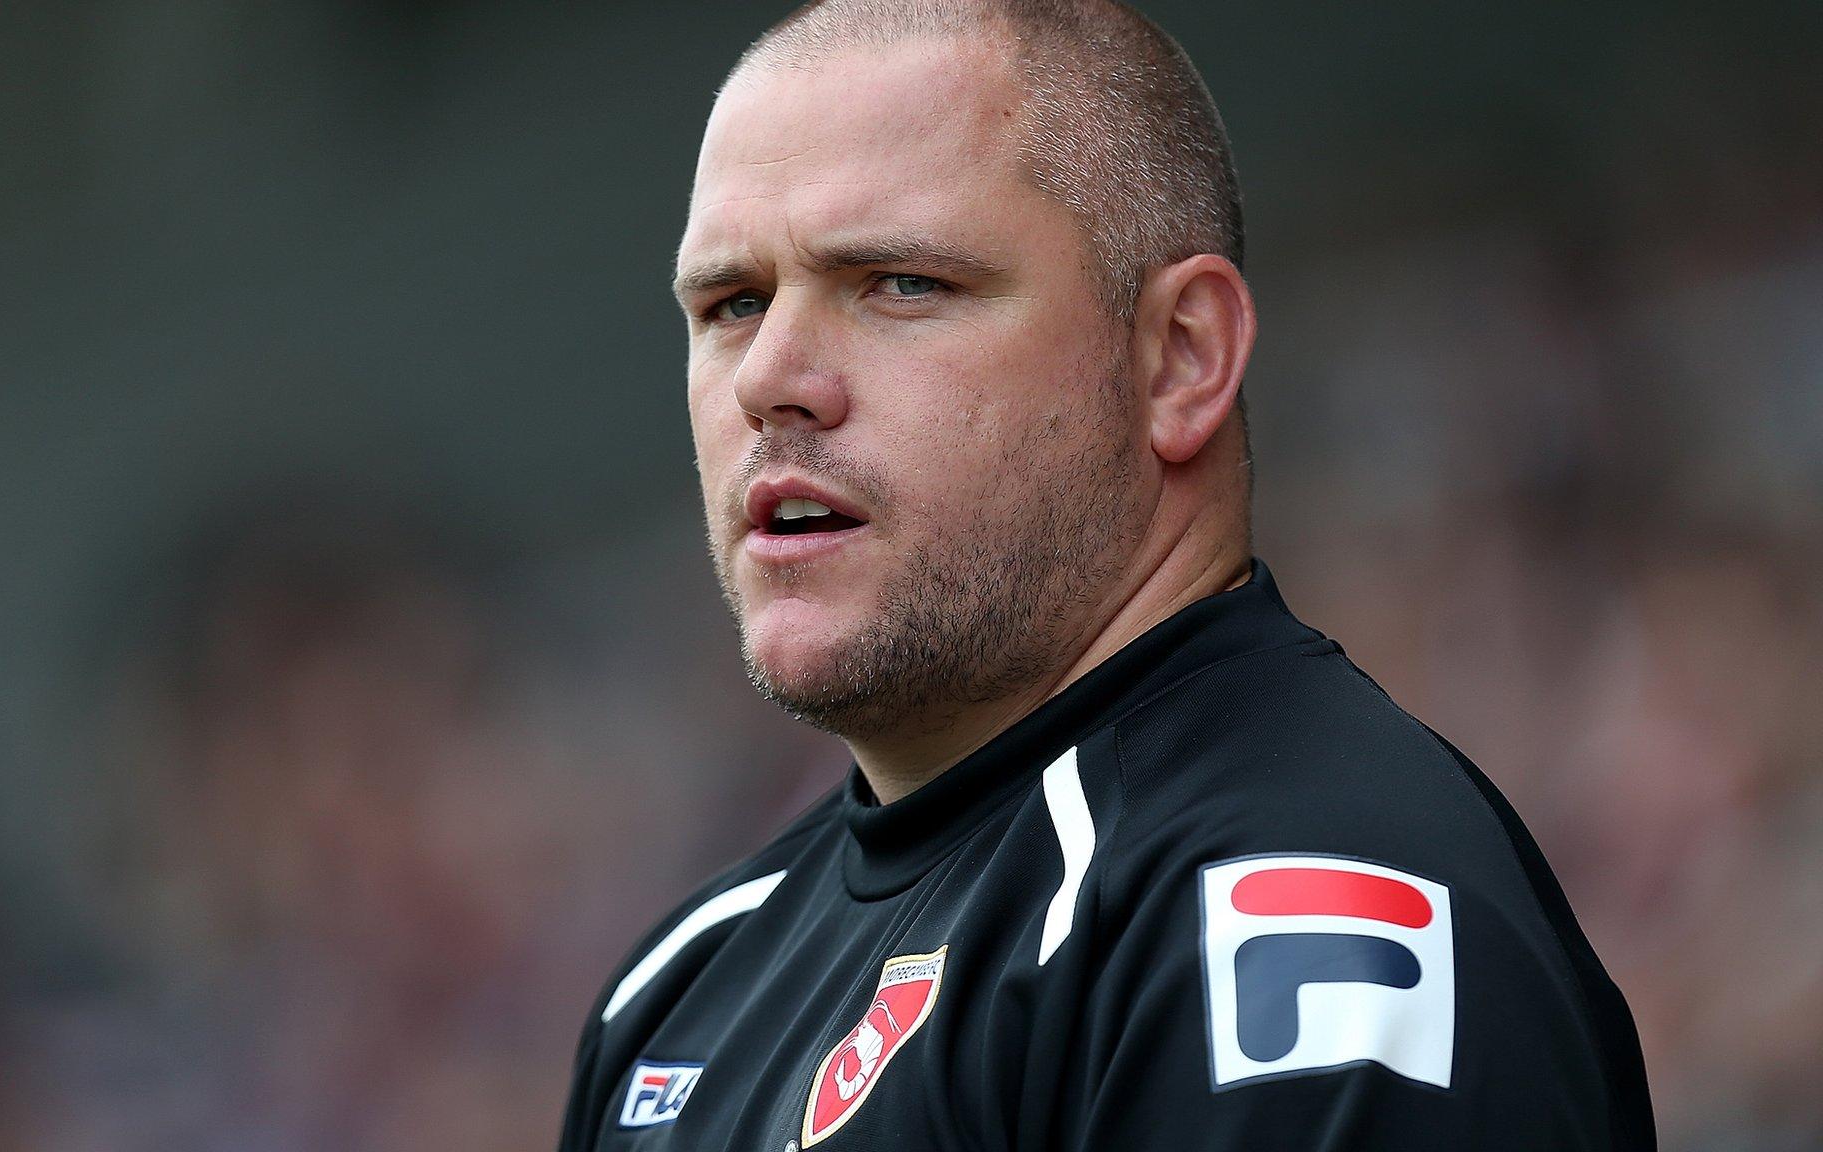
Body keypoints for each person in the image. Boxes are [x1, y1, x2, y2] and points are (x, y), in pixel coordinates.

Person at [557, 1, 1655, 1148]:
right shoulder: (673, 999)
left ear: (1178, 358)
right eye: (731, 304)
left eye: (899, 283)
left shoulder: (1293, 919)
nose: (770, 378)